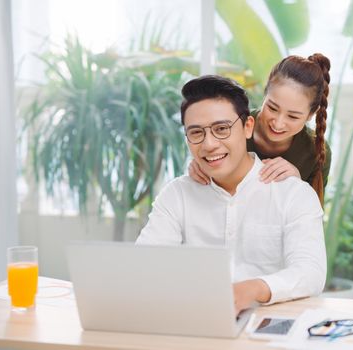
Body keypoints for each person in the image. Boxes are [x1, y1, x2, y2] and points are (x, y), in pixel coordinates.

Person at [135, 75, 326, 314]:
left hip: (266, 330)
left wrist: (254, 289)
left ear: (247, 127)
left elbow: (311, 273)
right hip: (193, 323)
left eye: (222, 129)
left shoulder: (294, 194)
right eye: (196, 133)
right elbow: (145, 264)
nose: (209, 144)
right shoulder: (176, 195)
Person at [189, 54, 331, 205]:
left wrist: (296, 184)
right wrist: (199, 165)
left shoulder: (315, 151)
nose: (278, 123)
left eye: (293, 117)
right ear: (265, 94)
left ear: (310, 114)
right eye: (272, 108)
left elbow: (312, 217)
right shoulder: (232, 126)